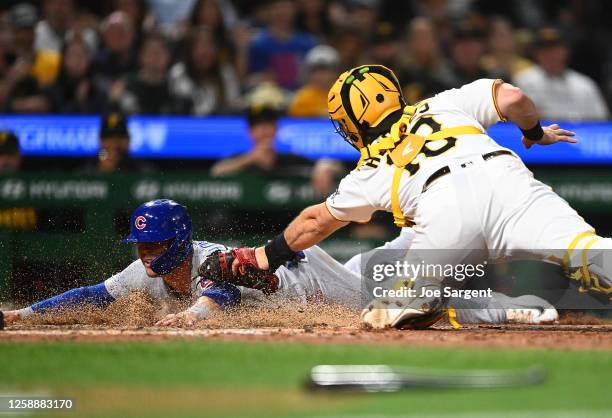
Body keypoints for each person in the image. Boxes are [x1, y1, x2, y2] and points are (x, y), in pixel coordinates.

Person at [210, 64, 611, 329]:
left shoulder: (368, 170)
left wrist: (267, 255)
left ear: (352, 123)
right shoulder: (443, 103)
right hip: (511, 184)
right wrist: (535, 133)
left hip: (447, 213)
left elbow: (316, 221)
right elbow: (513, 97)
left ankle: (425, 299)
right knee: (591, 252)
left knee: (391, 310)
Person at [1, 199, 556, 328]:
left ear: (177, 242)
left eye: (151, 247)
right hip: (340, 271)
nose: (144, 256)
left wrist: (191, 317)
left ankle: (515, 307)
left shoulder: (210, 261)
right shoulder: (144, 272)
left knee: (419, 301)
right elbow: (96, 295)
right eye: (141, 248)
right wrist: (25, 314)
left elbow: (218, 296)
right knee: (396, 269)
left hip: (324, 281)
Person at [513, 28, 609, 121]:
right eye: (546, 51)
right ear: (537, 54)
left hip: (580, 134)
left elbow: (601, 121)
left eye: (556, 50)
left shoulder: (584, 84)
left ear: (565, 52)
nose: (552, 55)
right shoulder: (524, 81)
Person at [210, 105, 312, 177]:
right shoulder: (240, 159)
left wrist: (324, 165)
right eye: (257, 126)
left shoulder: (291, 159)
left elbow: (319, 165)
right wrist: (251, 158)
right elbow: (215, 172)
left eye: (268, 124)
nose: (263, 129)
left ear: (276, 128)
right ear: (249, 131)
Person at [169, 27, 240, 116]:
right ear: (190, 51)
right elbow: (180, 108)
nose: (204, 52)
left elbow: (233, 105)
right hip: (188, 125)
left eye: (209, 46)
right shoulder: (178, 73)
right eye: (199, 47)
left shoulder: (226, 72)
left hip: (220, 125)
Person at [85, 113, 150, 173]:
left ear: (128, 140)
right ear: (100, 140)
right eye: (108, 137)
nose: (114, 143)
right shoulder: (87, 171)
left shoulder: (142, 171)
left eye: (119, 137)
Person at [288, 45, 340, 117]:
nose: (320, 75)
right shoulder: (302, 97)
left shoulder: (342, 95)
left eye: (324, 70)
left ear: (335, 72)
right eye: (316, 70)